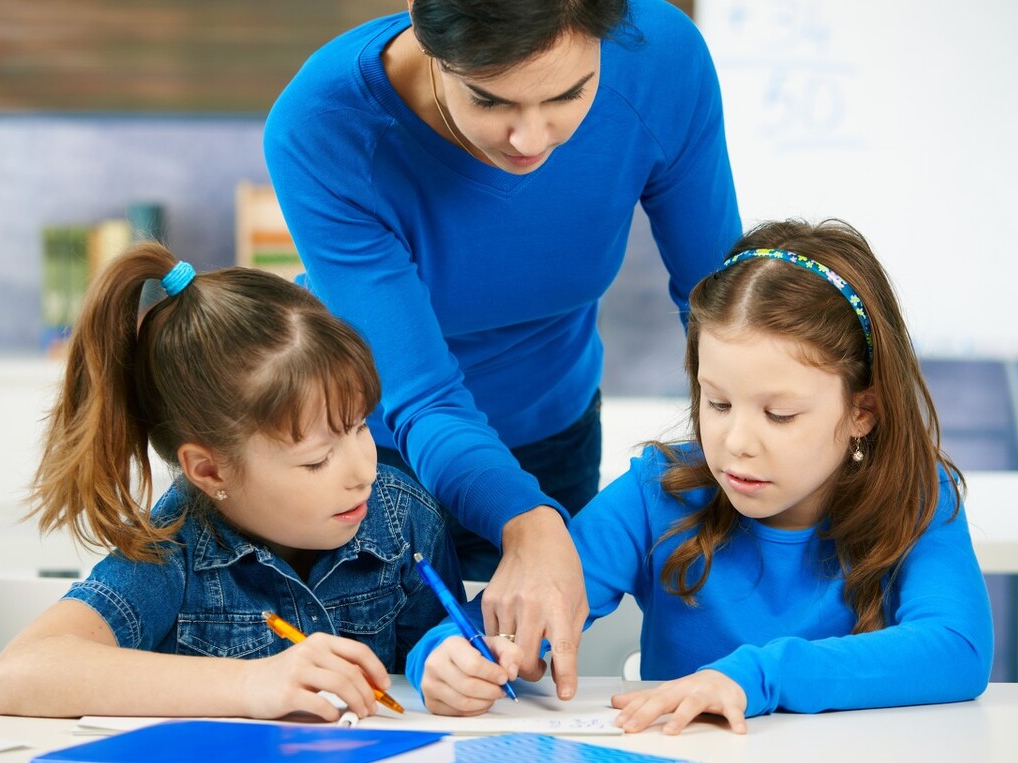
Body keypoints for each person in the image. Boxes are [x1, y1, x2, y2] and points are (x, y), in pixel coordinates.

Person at [263, 0, 741, 701]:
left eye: (570, 94)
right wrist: (529, 518)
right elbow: (421, 396)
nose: (529, 138)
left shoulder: (662, 60)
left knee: (524, 694)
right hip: (371, 462)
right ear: (421, 21)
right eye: (489, 97)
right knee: (377, 701)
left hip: (554, 439)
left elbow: (723, 304)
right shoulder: (324, 125)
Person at [407, 219, 994, 732]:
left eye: (779, 414)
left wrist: (756, 676)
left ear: (862, 411)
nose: (737, 442)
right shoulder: (656, 492)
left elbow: (959, 648)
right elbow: (519, 622)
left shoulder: (917, 497)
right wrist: (445, 656)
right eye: (716, 404)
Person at [0, 242, 463, 722]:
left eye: (360, 426)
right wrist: (254, 683)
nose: (364, 471)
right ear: (210, 470)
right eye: (317, 461)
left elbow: (441, 637)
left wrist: (443, 660)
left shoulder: (404, 518)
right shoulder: (172, 551)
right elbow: (19, 675)